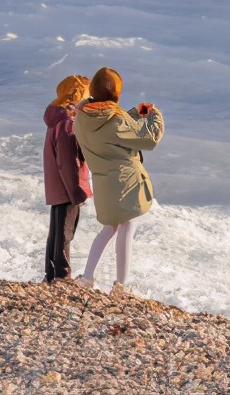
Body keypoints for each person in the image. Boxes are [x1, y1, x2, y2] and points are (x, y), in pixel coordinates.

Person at [72, 66, 164, 289]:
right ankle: (121, 285)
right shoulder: (115, 121)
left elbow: (119, 120)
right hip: (126, 181)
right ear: (116, 94)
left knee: (109, 229)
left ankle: (87, 277)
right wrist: (154, 114)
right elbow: (148, 139)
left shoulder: (81, 118)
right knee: (127, 228)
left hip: (103, 182)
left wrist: (139, 111)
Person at [42, 74, 92, 282]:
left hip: (57, 185)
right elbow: (67, 160)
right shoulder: (67, 122)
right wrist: (76, 190)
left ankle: (51, 274)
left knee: (56, 231)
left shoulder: (57, 118)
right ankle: (62, 276)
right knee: (65, 233)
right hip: (67, 185)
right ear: (76, 96)